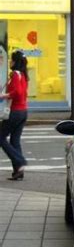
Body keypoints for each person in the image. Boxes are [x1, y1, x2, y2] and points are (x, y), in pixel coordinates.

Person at [0, 51, 29, 180]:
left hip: (15, 111)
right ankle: (18, 171)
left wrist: (4, 95)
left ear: (15, 62)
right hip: (23, 111)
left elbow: (17, 92)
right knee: (14, 140)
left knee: (0, 137)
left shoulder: (15, 75)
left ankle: (20, 160)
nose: (10, 62)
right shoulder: (23, 74)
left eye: (11, 60)